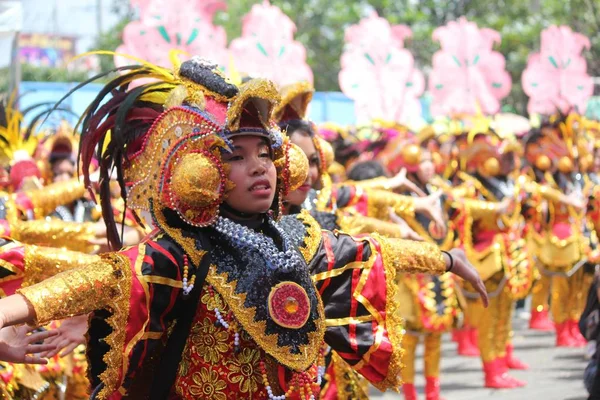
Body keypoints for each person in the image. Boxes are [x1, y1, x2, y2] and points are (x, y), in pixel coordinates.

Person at [0, 58, 487, 400]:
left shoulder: (296, 241)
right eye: (235, 156)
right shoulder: (177, 254)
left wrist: (445, 259)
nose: (260, 168)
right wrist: (8, 311)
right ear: (199, 173)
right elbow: (99, 279)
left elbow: (364, 249)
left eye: (264, 155)